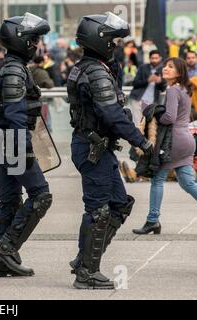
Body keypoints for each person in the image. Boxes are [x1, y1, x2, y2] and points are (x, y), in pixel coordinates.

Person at [67, 13, 154, 289]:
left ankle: (83, 259)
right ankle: (87, 273)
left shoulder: (92, 67)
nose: (115, 45)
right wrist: (141, 142)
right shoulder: (95, 72)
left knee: (119, 204)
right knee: (99, 210)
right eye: (112, 41)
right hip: (93, 148)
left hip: (98, 148)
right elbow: (112, 114)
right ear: (99, 40)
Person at [0, 13, 52, 277]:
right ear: (21, 40)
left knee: (10, 199)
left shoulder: (8, 65)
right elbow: (14, 115)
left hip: (3, 142)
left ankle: (1, 263)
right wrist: (23, 150)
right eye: (34, 39)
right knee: (41, 196)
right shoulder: (13, 70)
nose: (37, 44)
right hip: (13, 143)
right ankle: (7, 248)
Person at [133, 58, 197, 235]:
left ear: (179, 72)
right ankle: (152, 220)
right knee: (187, 182)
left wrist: (152, 113)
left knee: (157, 179)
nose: (166, 69)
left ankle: (152, 220)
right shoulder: (185, 89)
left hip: (173, 141)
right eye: (166, 66)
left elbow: (169, 117)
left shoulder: (173, 90)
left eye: (171, 67)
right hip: (186, 140)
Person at [128, 50, 167, 126]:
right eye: (152, 58)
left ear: (160, 58)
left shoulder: (163, 70)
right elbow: (135, 83)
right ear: (149, 58)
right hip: (138, 99)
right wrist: (148, 80)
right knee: (137, 123)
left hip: (152, 102)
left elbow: (163, 88)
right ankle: (138, 137)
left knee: (150, 124)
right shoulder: (143, 67)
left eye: (156, 58)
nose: (154, 60)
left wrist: (160, 82)